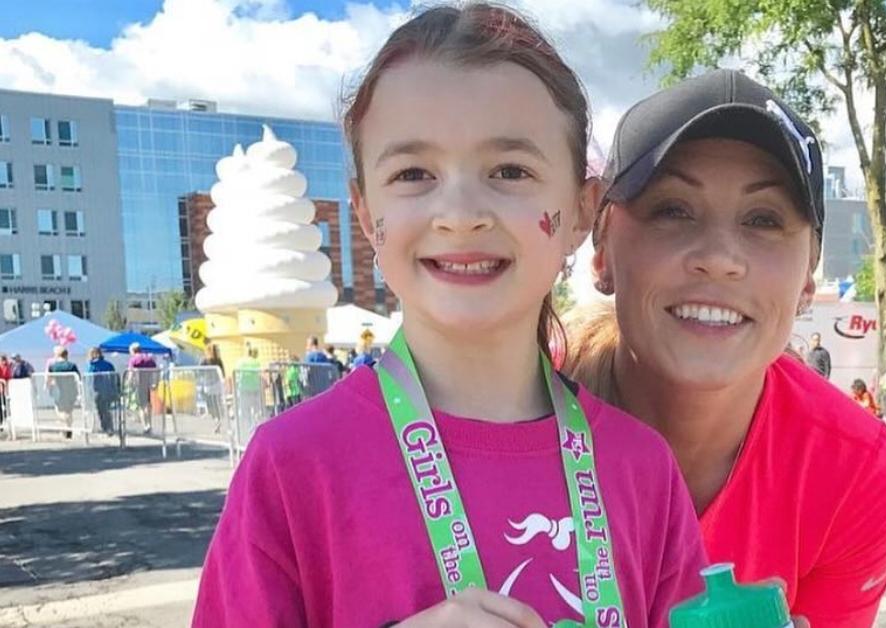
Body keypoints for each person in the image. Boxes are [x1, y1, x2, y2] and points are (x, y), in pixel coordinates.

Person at [195, 6, 707, 627]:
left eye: (510, 171)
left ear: (580, 210)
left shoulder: (641, 470)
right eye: (413, 174)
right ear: (364, 214)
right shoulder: (292, 468)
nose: (461, 212)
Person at [564, 68, 886, 624]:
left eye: (763, 219)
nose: (720, 256)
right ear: (602, 249)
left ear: (807, 279)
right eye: (673, 209)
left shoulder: (857, 473)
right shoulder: (494, 417)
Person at [46, 346, 81, 439]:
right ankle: (68, 427)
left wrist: (48, 388)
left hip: (59, 391)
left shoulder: (53, 366)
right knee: (69, 411)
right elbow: (78, 378)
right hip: (71, 391)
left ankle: (65, 428)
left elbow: (49, 379)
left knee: (60, 411)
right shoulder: (72, 366)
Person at [126, 342, 159, 434]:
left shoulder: (133, 360)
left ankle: (145, 426)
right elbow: (156, 371)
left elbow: (130, 373)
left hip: (138, 384)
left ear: (133, 351)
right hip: (149, 384)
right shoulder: (149, 358)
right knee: (148, 405)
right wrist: (155, 383)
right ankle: (149, 424)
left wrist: (128, 384)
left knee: (142, 406)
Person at [86, 348, 118, 436]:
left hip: (98, 391)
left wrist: (89, 391)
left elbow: (89, 380)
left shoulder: (92, 366)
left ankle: (107, 428)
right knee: (107, 410)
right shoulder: (109, 364)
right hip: (109, 390)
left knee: (101, 410)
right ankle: (109, 427)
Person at [200, 344, 226, 430]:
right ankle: (218, 419)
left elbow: (200, 373)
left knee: (210, 404)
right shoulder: (218, 360)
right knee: (217, 403)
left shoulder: (204, 361)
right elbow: (223, 373)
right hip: (217, 384)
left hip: (208, 385)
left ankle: (216, 419)